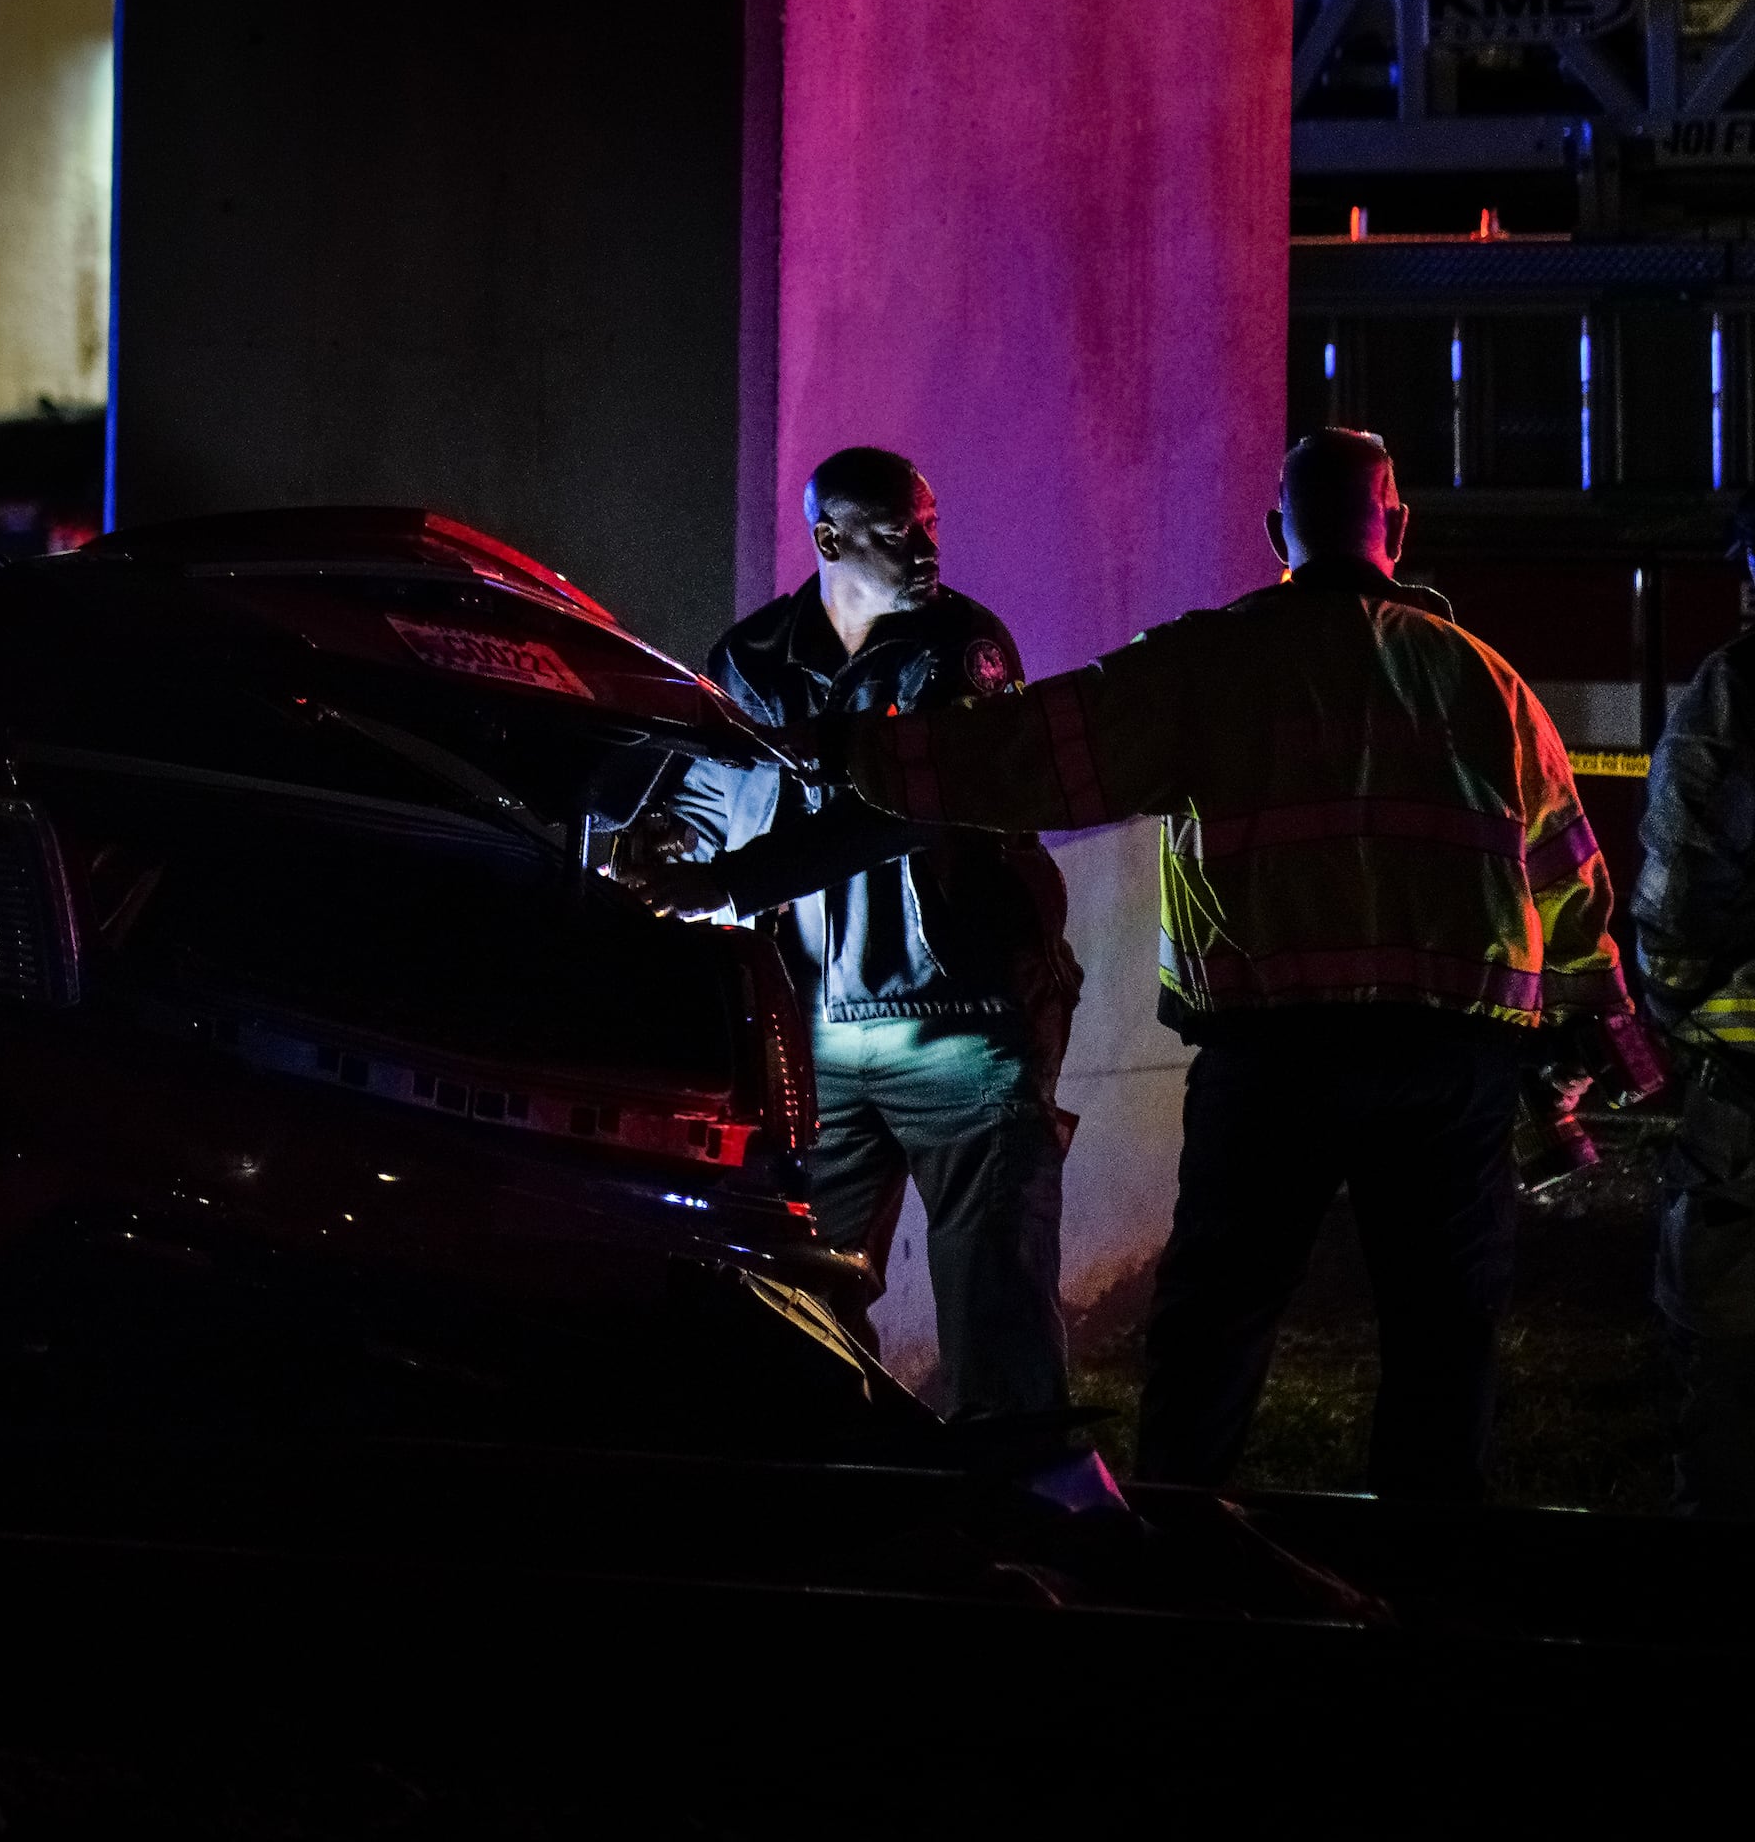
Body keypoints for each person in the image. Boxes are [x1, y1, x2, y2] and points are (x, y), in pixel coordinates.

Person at [814, 429, 1644, 1502]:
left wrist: (849, 750)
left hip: (1274, 1062)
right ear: (1398, 525)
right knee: (1444, 1333)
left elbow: (1031, 751)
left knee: (1216, 1326)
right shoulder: (1492, 687)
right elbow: (1570, 881)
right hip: (1451, 1068)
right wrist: (1603, 1034)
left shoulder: (1208, 665)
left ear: (1274, 535)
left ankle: (1177, 1556)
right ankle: (1430, 1586)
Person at [622, 447, 1078, 1438]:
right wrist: (666, 840)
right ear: (829, 538)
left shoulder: (960, 650)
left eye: (930, 522)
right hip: (819, 1036)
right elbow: (717, 784)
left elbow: (915, 805)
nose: (925, 546)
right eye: (896, 528)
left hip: (965, 1026)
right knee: (800, 1308)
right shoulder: (752, 658)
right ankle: (842, 1520)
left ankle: (1021, 1516)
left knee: (995, 1304)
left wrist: (731, 882)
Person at [1633, 501, 1755, 1512]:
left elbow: (1679, 892)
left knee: (1730, 1383)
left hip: (1750, 1114)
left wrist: (1690, 1019)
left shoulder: (1737, 693)